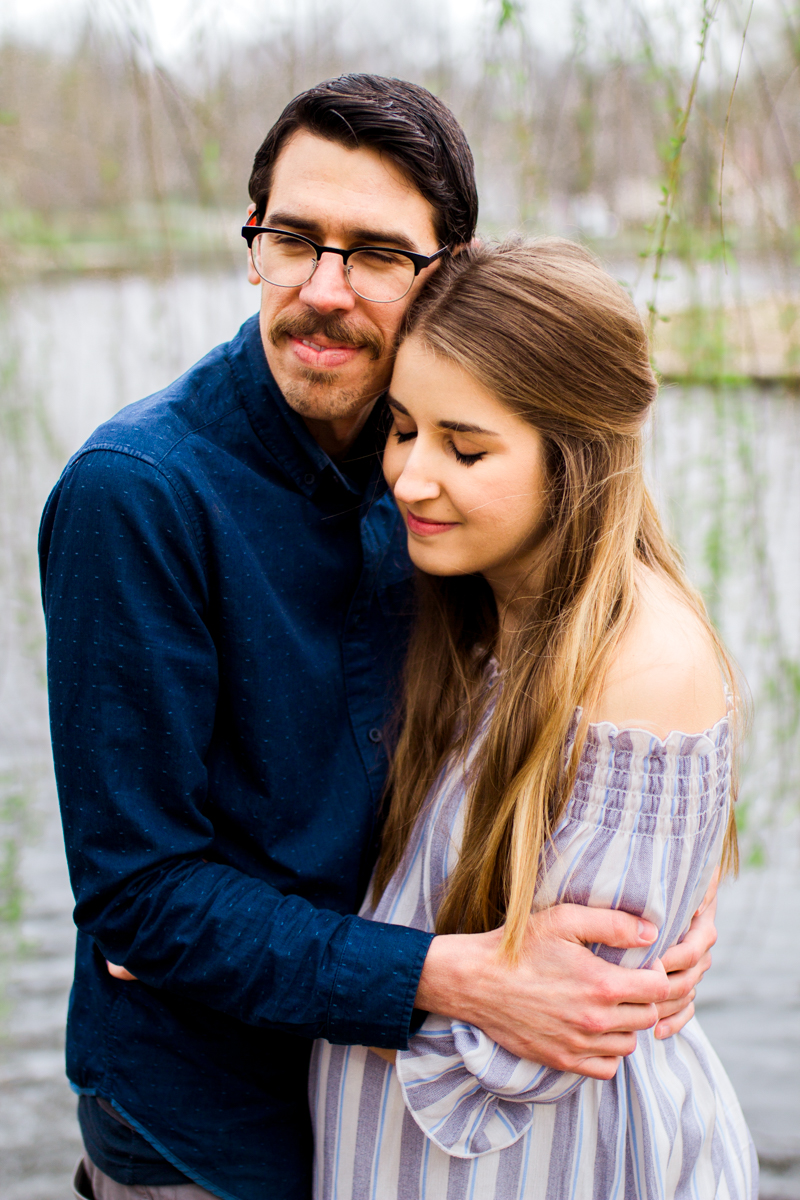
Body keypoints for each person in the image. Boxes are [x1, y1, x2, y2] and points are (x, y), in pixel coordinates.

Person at [39, 76, 718, 1200]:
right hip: (211, 1129)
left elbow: (581, 671)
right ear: (249, 240)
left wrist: (658, 894)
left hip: (408, 1118)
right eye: (292, 239)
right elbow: (142, 899)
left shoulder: (460, 463)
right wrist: (456, 976)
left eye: (375, 253)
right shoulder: (138, 496)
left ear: (448, 269)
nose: (323, 289)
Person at [311, 238, 756, 1199]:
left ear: (578, 454)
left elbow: (542, 1042)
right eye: (402, 429)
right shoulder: (476, 602)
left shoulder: (638, 671)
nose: (411, 479)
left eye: (465, 447)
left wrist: (235, 968)